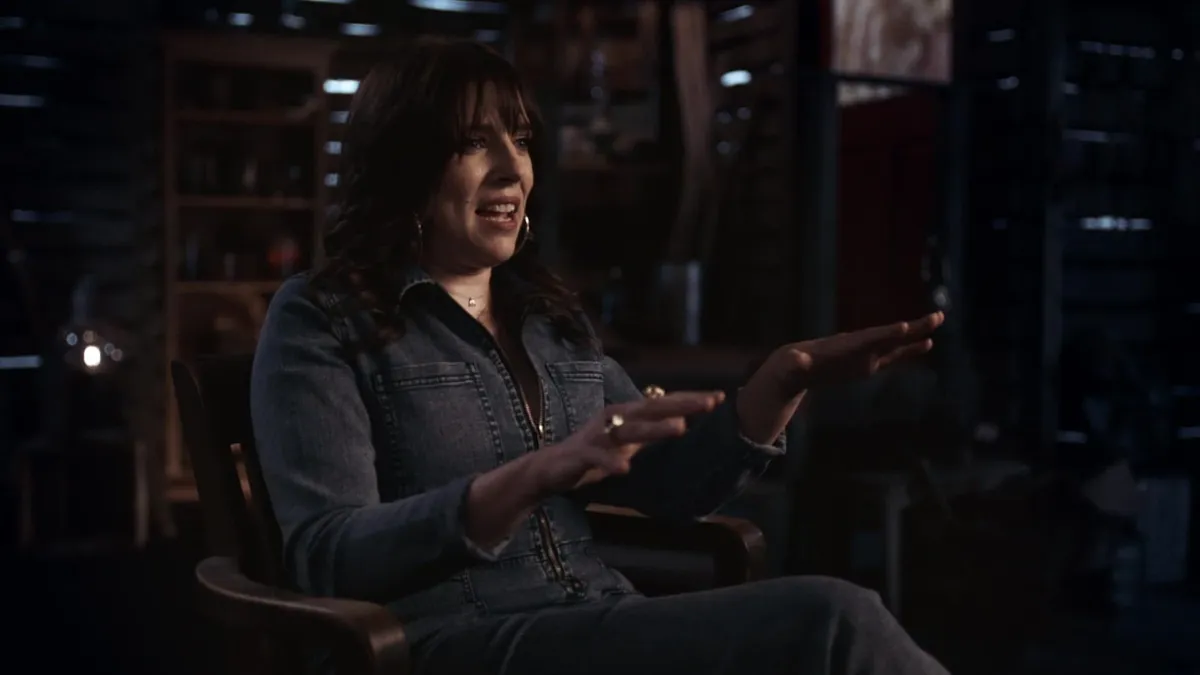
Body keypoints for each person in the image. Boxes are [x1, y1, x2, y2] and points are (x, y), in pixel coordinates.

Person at [250, 37, 949, 675]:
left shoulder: (549, 318)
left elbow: (671, 486)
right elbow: (328, 555)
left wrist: (779, 383)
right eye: (473, 143)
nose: (511, 168)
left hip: (594, 615)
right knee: (831, 622)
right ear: (404, 167)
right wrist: (527, 478)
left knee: (835, 620)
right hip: (442, 640)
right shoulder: (320, 316)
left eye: (520, 141)